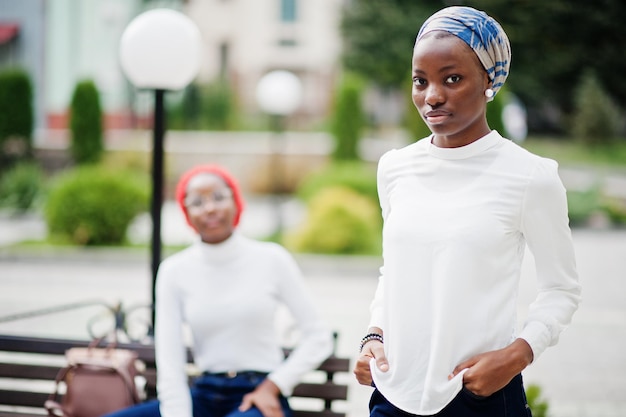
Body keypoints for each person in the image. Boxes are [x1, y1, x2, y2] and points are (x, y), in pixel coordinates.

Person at [353, 6, 582, 417]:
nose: (432, 96)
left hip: (480, 397)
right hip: (394, 395)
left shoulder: (531, 176)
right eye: (420, 81)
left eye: (452, 78)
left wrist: (517, 356)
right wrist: (374, 333)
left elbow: (561, 290)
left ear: (489, 81)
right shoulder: (394, 167)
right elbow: (396, 271)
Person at [106, 164, 333, 417]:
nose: (210, 208)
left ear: (236, 202)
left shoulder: (272, 259)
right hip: (203, 395)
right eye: (197, 202)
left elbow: (319, 338)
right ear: (186, 213)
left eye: (218, 197)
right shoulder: (173, 271)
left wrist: (273, 386)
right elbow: (170, 362)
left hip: (256, 397)